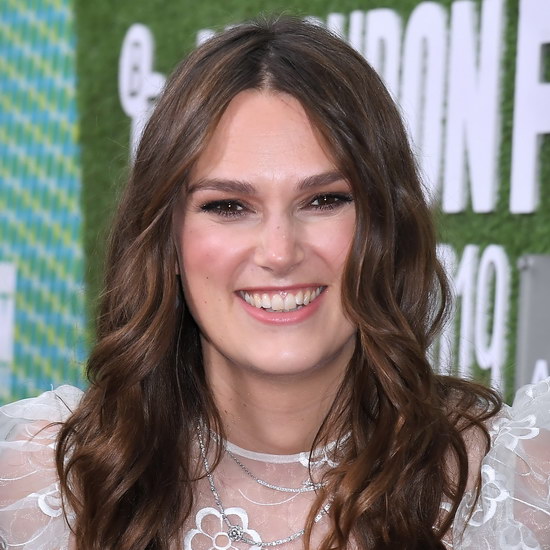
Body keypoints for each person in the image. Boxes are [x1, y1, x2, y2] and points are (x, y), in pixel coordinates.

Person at [1, 16, 549, 550]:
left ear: (387, 228)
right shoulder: (45, 483)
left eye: (324, 200)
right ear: (167, 240)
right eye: (228, 206)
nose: (280, 253)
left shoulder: (515, 483)